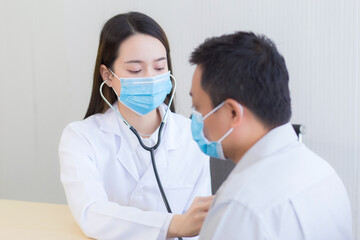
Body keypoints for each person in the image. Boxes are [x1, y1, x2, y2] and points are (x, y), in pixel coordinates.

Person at [59, 12, 213, 240]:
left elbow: (203, 225)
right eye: (135, 70)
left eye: (159, 68)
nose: (150, 78)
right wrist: (174, 224)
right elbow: (91, 214)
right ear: (107, 75)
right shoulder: (81, 138)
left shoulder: (192, 134)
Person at [188, 31, 353, 239]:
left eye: (197, 107)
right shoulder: (324, 173)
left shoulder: (239, 205)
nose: (196, 120)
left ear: (232, 112)